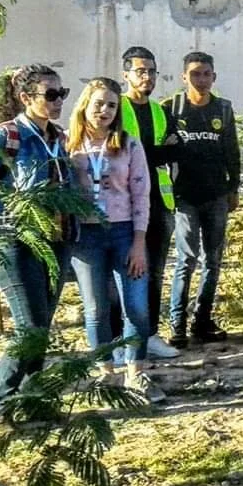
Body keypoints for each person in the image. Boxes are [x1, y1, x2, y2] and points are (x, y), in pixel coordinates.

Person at [0, 65, 75, 424]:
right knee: (29, 327)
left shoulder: (60, 137)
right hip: (15, 240)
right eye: (50, 95)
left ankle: (34, 398)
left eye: (61, 93)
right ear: (26, 98)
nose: (57, 102)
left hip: (56, 240)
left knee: (43, 323)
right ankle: (2, 405)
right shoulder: (6, 136)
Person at [66, 78, 165, 402]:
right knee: (95, 309)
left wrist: (139, 242)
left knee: (135, 306)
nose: (105, 110)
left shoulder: (129, 144)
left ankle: (136, 373)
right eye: (99, 103)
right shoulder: (69, 145)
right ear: (85, 105)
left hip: (124, 233)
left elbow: (142, 195)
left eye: (111, 105)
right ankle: (106, 374)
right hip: (86, 237)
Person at [164, 52, 239, 347]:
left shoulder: (224, 109)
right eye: (195, 74)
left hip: (216, 196)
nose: (201, 79)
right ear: (184, 77)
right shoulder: (171, 109)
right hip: (184, 197)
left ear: (214, 77)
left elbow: (232, 152)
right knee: (186, 259)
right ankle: (177, 324)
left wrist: (232, 189)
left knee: (213, 260)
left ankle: (202, 320)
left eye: (206, 74)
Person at [117, 46, 181, 359]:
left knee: (154, 272)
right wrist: (156, 152)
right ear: (125, 74)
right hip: (122, 204)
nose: (148, 77)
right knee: (124, 273)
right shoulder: (117, 109)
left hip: (159, 202)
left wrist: (154, 152)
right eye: (141, 71)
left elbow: (175, 149)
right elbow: (127, 155)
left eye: (152, 71)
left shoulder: (160, 111)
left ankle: (150, 334)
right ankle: (120, 340)